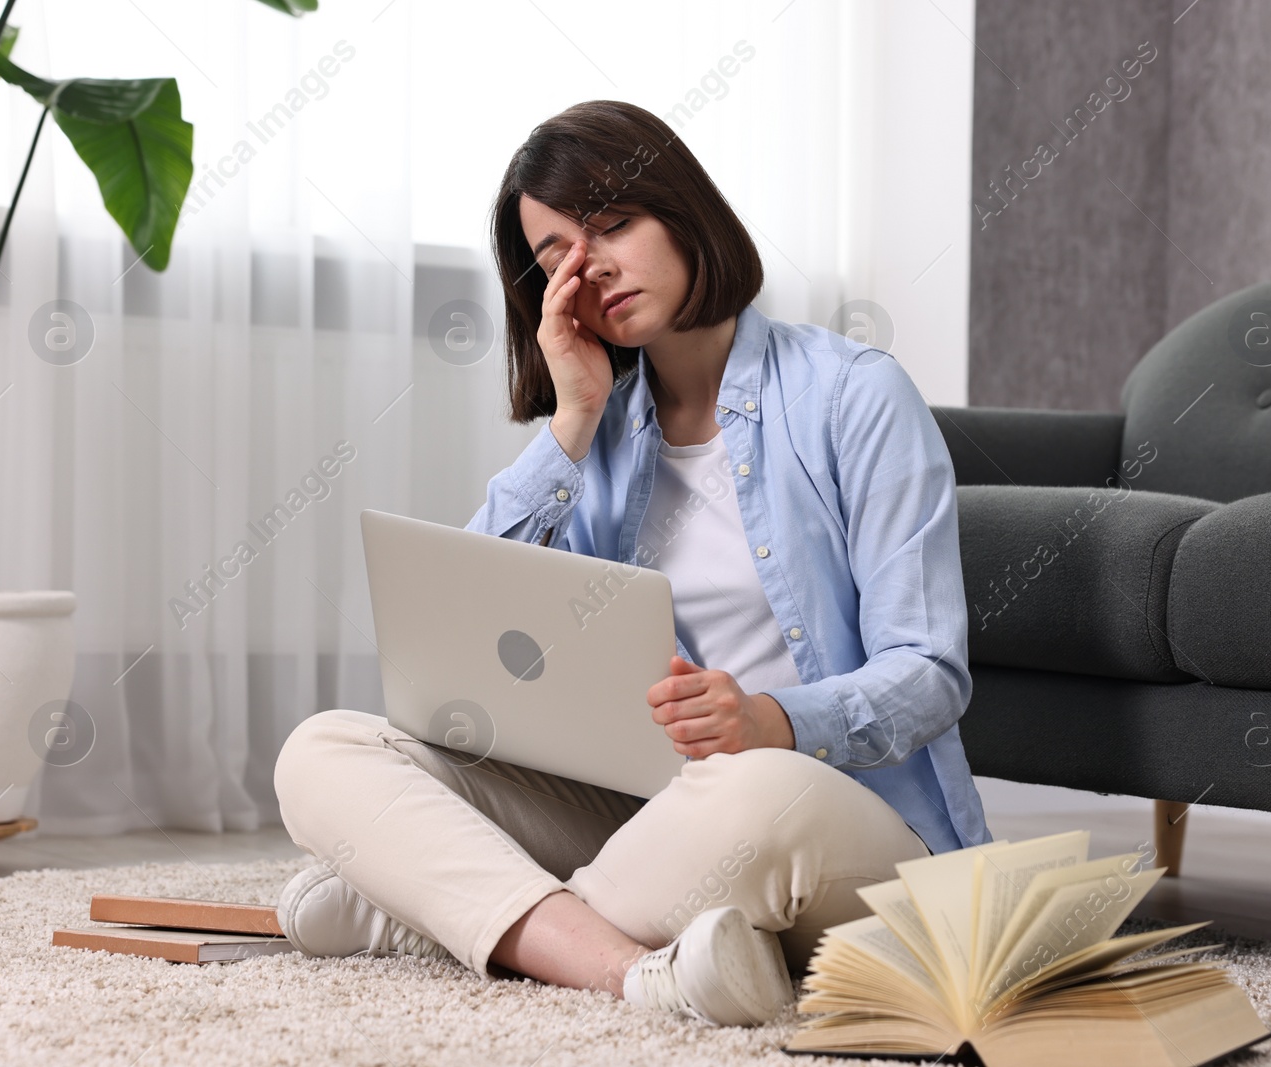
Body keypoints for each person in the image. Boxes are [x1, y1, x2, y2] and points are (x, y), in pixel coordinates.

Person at [273, 99, 990, 1028]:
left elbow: (930, 674)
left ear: (683, 210)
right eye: (556, 254)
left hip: (827, 814)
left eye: (614, 224)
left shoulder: (854, 395)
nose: (590, 265)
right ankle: (630, 968)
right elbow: (463, 633)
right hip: (649, 814)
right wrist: (568, 423)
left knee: (750, 792)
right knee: (325, 749)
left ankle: (439, 911)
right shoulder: (599, 430)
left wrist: (771, 720)